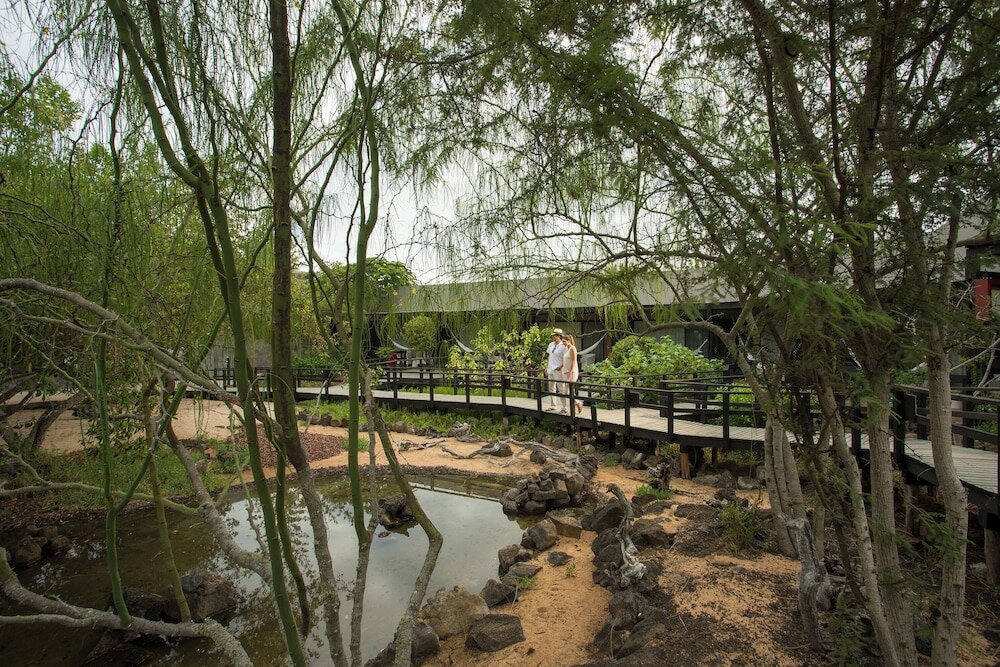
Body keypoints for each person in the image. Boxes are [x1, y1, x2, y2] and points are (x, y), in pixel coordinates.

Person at [544, 329, 565, 411]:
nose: (553, 337)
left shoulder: (563, 346)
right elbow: (549, 356)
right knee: (551, 387)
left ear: (559, 336)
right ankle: (553, 405)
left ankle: (564, 407)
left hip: (558, 370)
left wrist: (561, 366)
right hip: (551, 369)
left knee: (561, 388)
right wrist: (547, 366)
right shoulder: (551, 344)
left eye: (555, 335)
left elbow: (565, 358)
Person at [562, 334, 584, 415]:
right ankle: (577, 404)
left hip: (572, 371)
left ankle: (576, 405)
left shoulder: (572, 348)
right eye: (563, 341)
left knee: (569, 390)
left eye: (564, 341)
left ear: (569, 341)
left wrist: (571, 372)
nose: (563, 343)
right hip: (565, 371)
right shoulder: (566, 349)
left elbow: (574, 361)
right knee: (567, 391)